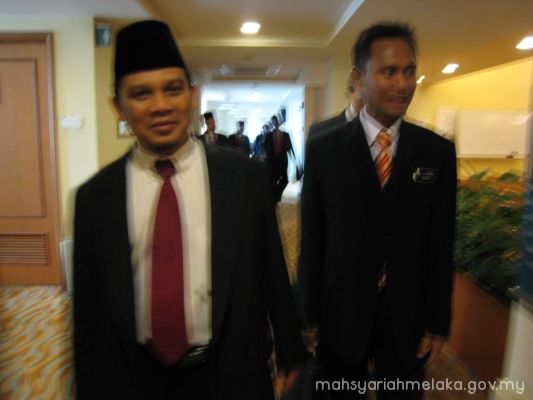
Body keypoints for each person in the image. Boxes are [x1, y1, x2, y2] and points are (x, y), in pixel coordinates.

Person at [73, 20, 305, 400]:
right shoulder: (95, 199)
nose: (161, 106)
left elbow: (272, 270)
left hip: (231, 372)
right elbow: (89, 317)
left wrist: (291, 353)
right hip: (136, 380)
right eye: (141, 94)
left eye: (173, 89)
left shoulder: (244, 178)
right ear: (119, 107)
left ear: (192, 95)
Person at [297, 22, 457, 399]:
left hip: (406, 316)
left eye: (409, 71)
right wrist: (308, 314)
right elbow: (313, 239)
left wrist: (438, 321)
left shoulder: (436, 151)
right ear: (359, 77)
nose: (402, 84)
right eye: (389, 71)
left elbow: (441, 244)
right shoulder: (325, 148)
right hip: (340, 313)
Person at [263, 115, 296, 202]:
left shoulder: (286, 135)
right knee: (272, 181)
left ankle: (277, 195)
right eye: (273, 122)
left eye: (276, 122)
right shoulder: (268, 135)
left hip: (282, 161)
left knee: (285, 180)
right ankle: (275, 198)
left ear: (279, 122)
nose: (275, 124)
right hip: (272, 162)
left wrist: (295, 160)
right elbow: (264, 147)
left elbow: (290, 148)